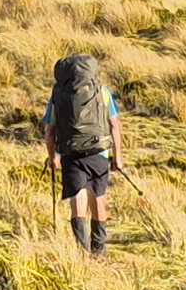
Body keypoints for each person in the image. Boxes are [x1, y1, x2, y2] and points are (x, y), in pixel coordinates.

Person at [43, 52, 125, 255]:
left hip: (71, 153)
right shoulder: (103, 92)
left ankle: (82, 250)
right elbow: (114, 125)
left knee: (77, 198)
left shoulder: (58, 95)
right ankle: (99, 250)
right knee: (98, 197)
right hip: (99, 152)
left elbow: (50, 130)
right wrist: (118, 157)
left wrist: (53, 156)